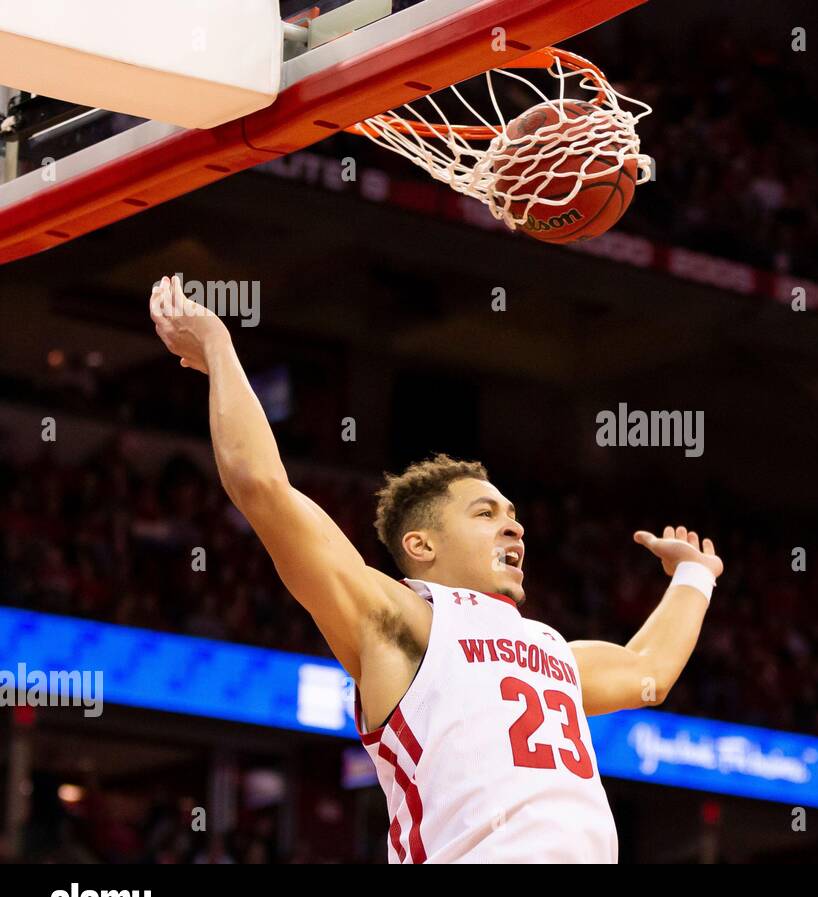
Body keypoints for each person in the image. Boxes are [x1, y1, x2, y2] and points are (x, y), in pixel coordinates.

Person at [147, 275, 723, 863]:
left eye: (513, 515)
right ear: (421, 546)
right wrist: (219, 346)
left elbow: (648, 669)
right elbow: (262, 487)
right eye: (485, 512)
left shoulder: (552, 651)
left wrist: (695, 576)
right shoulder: (404, 621)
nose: (513, 526)